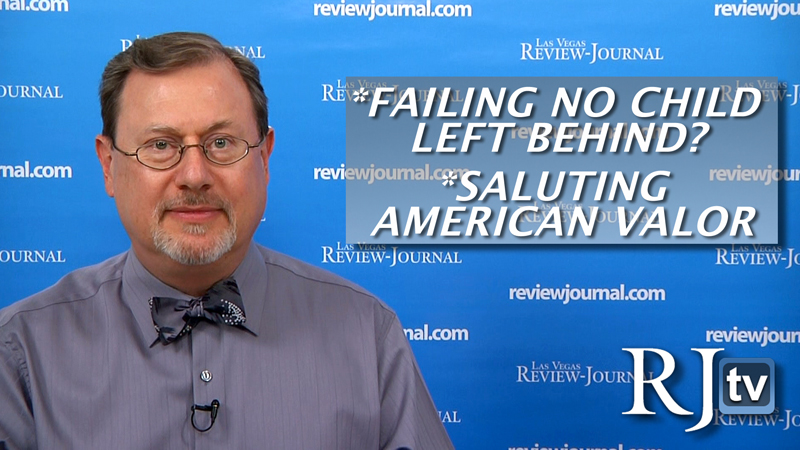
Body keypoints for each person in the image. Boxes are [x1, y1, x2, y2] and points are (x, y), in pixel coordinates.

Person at [0, 32, 454, 449]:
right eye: (160, 145)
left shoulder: (368, 334)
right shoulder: (20, 351)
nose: (194, 175)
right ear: (108, 165)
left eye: (221, 143)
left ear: (265, 158)